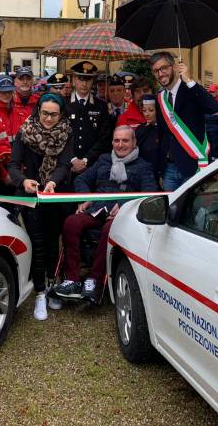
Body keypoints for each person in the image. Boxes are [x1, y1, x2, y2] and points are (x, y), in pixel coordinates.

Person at [53, 125, 157, 304]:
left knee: (110, 230)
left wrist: (124, 206)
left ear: (134, 142)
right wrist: (86, 199)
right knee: (71, 222)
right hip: (97, 209)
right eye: (117, 140)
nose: (120, 144)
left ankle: (94, 281)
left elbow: (149, 193)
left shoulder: (143, 166)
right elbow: (82, 179)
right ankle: (72, 280)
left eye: (125, 140)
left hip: (122, 216)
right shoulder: (104, 160)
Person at [8, 93, 73, 320]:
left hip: (55, 194)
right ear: (38, 111)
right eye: (44, 113)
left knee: (53, 240)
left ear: (61, 114)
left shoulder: (66, 132)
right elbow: (13, 166)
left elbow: (65, 163)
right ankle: (39, 292)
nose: (48, 118)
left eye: (54, 114)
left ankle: (53, 285)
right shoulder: (25, 131)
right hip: (31, 195)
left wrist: (52, 181)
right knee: (37, 243)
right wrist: (23, 181)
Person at [150, 52, 218, 190]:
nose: (160, 73)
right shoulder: (160, 98)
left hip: (192, 165)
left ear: (175, 67)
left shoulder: (190, 89)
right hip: (169, 168)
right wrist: (161, 170)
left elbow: (212, 108)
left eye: (164, 68)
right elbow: (162, 135)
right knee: (172, 210)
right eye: (156, 71)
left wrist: (189, 80)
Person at [66, 61, 114, 177]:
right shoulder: (64, 103)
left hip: (92, 165)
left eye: (88, 79)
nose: (84, 83)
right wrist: (72, 159)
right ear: (73, 80)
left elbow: (105, 138)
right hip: (67, 165)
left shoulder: (101, 106)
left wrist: (86, 160)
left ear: (92, 81)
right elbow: (59, 136)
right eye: (80, 79)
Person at [0, 67, 39, 140]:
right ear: (15, 81)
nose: (25, 82)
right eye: (21, 79)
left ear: (32, 81)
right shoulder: (9, 105)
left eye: (28, 79)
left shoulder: (40, 102)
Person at [135, 94, 159, 167]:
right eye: (144, 110)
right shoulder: (140, 129)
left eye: (151, 110)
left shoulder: (163, 129)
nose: (146, 114)